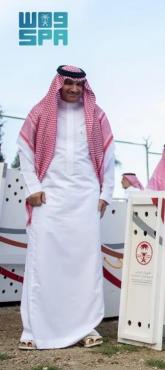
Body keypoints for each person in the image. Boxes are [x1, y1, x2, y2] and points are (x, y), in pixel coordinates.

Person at [16, 65, 115, 350]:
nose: (73, 89)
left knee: (84, 263)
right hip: (49, 195)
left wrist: (106, 192)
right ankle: (32, 330)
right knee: (42, 260)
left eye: (79, 85)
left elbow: (108, 155)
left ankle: (86, 327)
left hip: (85, 195)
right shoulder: (41, 112)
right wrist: (33, 187)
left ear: (85, 87)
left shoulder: (96, 115)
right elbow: (25, 149)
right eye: (68, 83)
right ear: (59, 84)